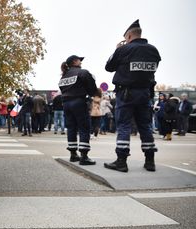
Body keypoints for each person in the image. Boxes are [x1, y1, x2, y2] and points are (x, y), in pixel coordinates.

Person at [104, 19, 161, 172]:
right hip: (145, 93)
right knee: (146, 126)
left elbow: (109, 67)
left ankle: (121, 162)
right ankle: (150, 162)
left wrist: (117, 49)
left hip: (126, 93)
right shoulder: (153, 50)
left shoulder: (124, 50)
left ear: (128, 36)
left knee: (124, 126)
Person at [59, 55, 98, 165]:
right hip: (79, 102)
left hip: (66, 104)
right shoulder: (83, 72)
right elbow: (92, 90)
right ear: (74, 61)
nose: (81, 62)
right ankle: (84, 156)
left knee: (71, 128)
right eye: (79, 60)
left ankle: (73, 154)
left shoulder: (63, 76)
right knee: (84, 128)